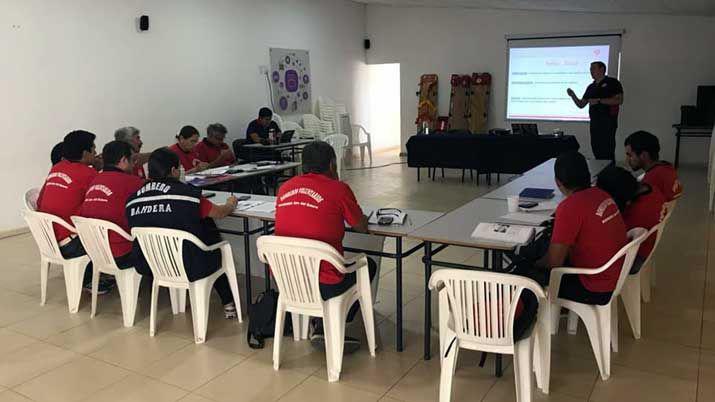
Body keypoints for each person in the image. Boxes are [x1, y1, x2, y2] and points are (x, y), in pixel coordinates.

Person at [274, 141, 377, 352]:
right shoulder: (338, 189)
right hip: (324, 283)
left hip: (288, 280)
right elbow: (360, 227)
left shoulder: (284, 188)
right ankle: (331, 321)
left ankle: (321, 322)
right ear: (332, 164)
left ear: (303, 165)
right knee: (368, 265)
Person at [126, 147, 240, 319]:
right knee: (211, 237)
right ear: (173, 170)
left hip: (151, 264)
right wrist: (231, 203)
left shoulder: (132, 199)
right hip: (189, 264)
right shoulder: (186, 195)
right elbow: (220, 213)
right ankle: (228, 304)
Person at [514, 151, 627, 305]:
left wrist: (534, 264)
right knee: (544, 248)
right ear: (587, 174)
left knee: (521, 272)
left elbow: (554, 263)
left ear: (558, 182)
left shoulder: (569, 207)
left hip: (594, 287)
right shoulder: (602, 194)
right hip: (616, 275)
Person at [37, 130, 111, 293]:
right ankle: (94, 277)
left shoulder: (56, 168)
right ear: (85, 153)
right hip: (71, 243)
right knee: (109, 226)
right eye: (94, 150)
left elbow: (39, 202)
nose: (96, 153)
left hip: (47, 239)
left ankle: (93, 274)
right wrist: (100, 169)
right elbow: (101, 204)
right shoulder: (88, 173)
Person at [79, 141, 147, 278]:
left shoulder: (95, 179)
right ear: (123, 160)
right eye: (132, 160)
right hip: (120, 253)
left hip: (93, 250)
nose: (134, 164)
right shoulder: (132, 182)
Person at [596, 166, 666, 274]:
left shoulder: (635, 214)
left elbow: (611, 240)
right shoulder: (652, 189)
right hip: (646, 246)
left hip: (634, 259)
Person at [567, 61, 624, 161]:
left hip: (607, 122)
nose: (591, 71)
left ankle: (610, 174)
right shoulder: (591, 87)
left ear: (602, 69)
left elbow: (619, 100)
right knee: (596, 150)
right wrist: (573, 95)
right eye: (590, 69)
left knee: (607, 151)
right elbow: (581, 104)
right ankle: (600, 174)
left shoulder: (612, 82)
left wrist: (599, 101)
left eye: (593, 68)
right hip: (594, 123)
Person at [624, 130, 683, 201]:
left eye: (630, 155)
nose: (627, 160)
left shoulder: (650, 182)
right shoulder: (668, 168)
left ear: (644, 155)